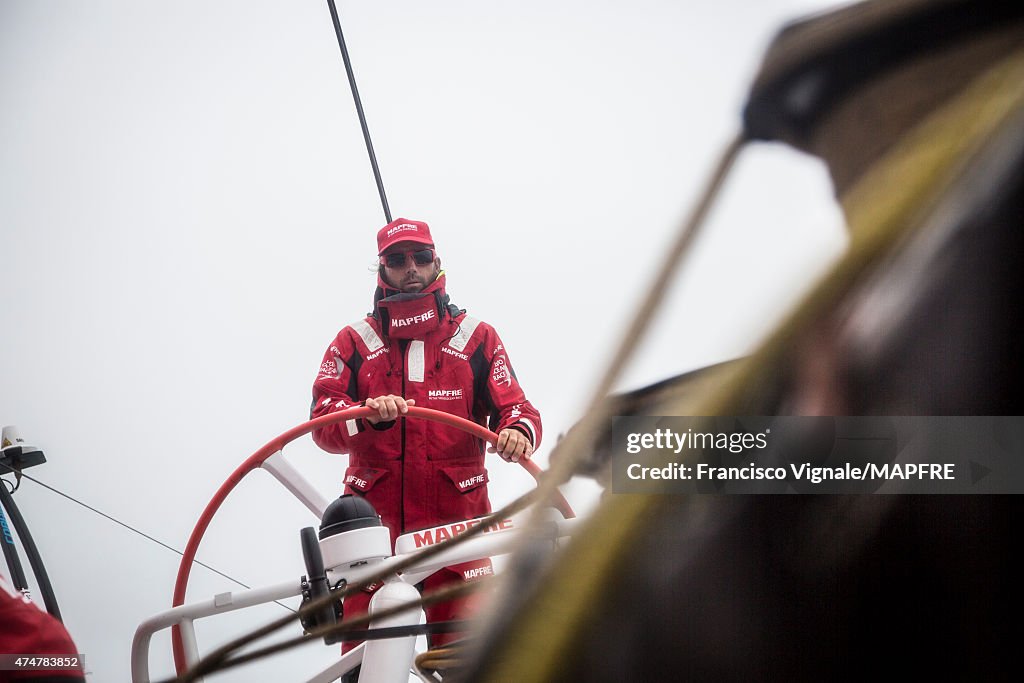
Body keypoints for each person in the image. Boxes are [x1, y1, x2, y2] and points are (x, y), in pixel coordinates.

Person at [310, 217, 542, 650]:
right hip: (373, 538)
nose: (410, 267)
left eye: (420, 257)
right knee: (362, 666)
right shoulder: (354, 341)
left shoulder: (477, 338)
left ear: (437, 261)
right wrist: (364, 415)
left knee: (468, 660)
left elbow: (518, 408)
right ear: (381, 269)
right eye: (397, 259)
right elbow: (322, 421)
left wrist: (516, 433)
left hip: (456, 535)